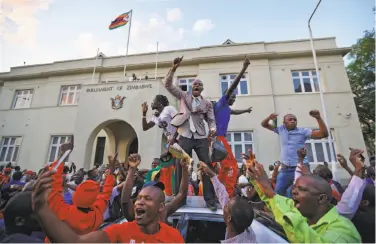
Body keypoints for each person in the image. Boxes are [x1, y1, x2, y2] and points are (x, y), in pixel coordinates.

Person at [32, 170, 184, 243]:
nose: (140, 202)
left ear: (161, 207)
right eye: (138, 198)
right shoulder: (120, 230)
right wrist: (42, 210)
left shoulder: (174, 237)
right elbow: (76, 242)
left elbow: (181, 196)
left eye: (148, 199)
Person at [248, 159, 361, 243]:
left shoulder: (344, 230)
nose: (293, 192)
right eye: (295, 187)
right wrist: (255, 177)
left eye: (301, 189)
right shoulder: (301, 211)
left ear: (321, 199)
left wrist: (270, 192)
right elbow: (272, 199)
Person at [164, 56, 217, 210]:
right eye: (195, 84)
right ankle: (180, 198)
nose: (197, 86)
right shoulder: (183, 96)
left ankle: (210, 199)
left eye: (200, 85)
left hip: (200, 137)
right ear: (191, 87)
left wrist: (212, 128)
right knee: (181, 166)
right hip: (185, 135)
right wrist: (173, 68)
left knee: (206, 166)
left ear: (201, 89)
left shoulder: (206, 103)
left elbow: (211, 119)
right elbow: (167, 84)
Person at [261, 110, 329, 197]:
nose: (293, 121)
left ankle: (297, 209)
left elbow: (323, 134)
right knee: (278, 192)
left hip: (300, 167)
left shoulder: (303, 131)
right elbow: (264, 124)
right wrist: (269, 118)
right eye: (290, 119)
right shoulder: (281, 129)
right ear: (284, 122)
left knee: (295, 192)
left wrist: (318, 118)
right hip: (285, 169)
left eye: (295, 119)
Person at [213, 57, 251, 196]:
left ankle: (220, 190)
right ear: (226, 96)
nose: (234, 99)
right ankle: (227, 193)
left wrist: (245, 111)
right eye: (232, 97)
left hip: (219, 139)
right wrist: (243, 69)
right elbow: (232, 87)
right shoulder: (221, 104)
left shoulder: (227, 109)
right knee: (232, 166)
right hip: (217, 138)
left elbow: (234, 112)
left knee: (224, 167)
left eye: (235, 98)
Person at [201, 162, 256, 243]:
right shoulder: (246, 229)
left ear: (229, 218)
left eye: (226, 205)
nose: (224, 204)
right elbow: (223, 196)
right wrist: (212, 175)